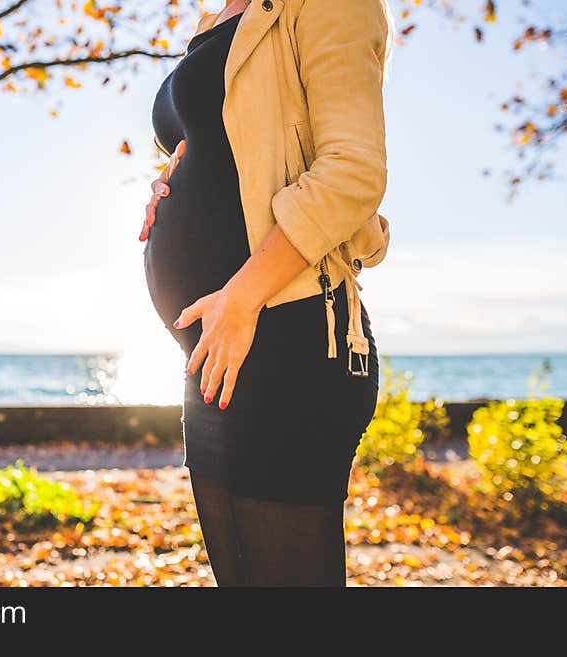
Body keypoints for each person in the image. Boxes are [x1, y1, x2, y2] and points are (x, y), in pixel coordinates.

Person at [140, 0, 394, 586]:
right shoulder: (216, 19)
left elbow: (352, 170)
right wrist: (169, 183)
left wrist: (241, 296)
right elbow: (232, 149)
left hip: (290, 337)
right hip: (213, 354)